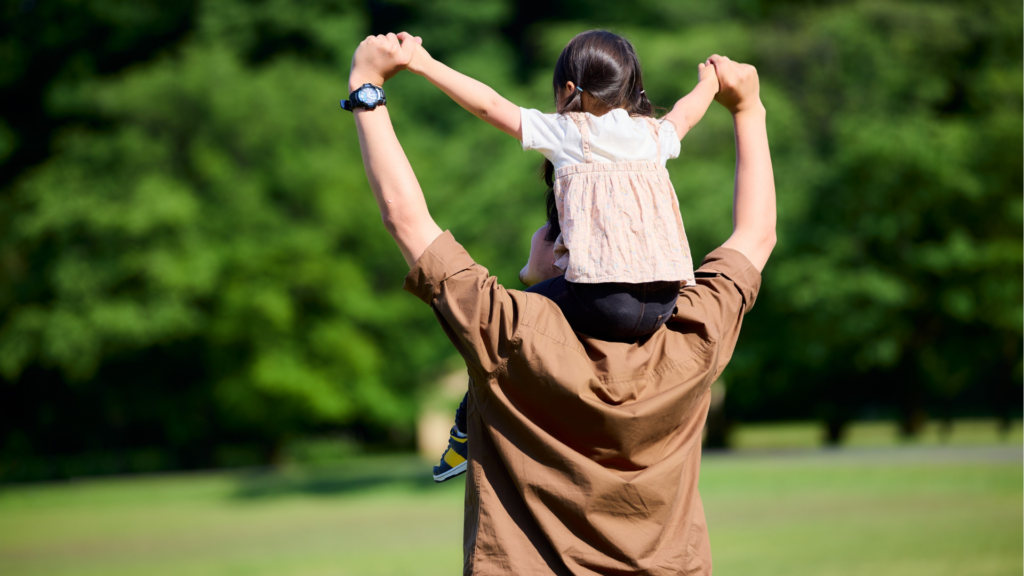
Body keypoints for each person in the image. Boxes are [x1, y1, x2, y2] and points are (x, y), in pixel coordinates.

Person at [344, 31, 775, 576]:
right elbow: (756, 235)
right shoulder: (695, 333)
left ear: (571, 245)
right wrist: (747, 107)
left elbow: (406, 219)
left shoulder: (507, 334)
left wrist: (366, 87)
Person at [401, 30, 723, 481]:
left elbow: (490, 105)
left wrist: (423, 63)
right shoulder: (653, 135)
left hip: (602, 300)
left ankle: (462, 433)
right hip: (665, 301)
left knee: (504, 333)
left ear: (569, 90)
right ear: (631, 91)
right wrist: (710, 81)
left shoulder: (569, 132)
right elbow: (688, 111)